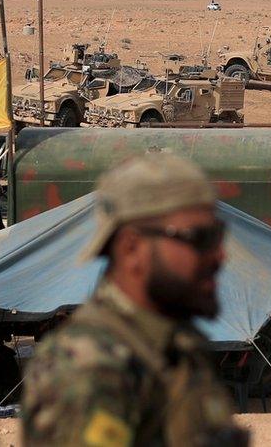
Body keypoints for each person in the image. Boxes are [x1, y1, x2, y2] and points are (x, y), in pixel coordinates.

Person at [22, 154, 247, 446]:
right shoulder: (92, 370)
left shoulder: (172, 350)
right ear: (131, 249)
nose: (220, 255)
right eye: (199, 238)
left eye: (218, 235)